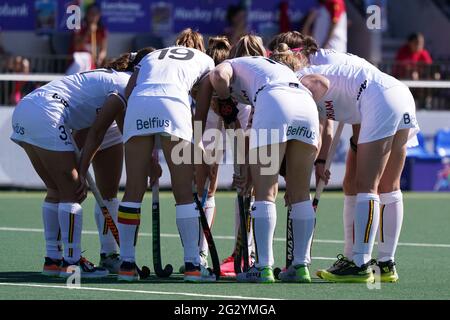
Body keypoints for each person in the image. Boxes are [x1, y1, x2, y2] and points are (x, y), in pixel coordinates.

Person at [10, 49, 151, 279]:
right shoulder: (126, 84)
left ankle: (53, 260)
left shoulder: (105, 81)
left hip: (26, 110)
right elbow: (95, 133)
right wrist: (81, 172)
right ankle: (72, 263)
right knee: (72, 192)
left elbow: (86, 130)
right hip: (47, 113)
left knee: (57, 190)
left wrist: (78, 168)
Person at [98, 29, 216, 282]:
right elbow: (202, 107)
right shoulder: (206, 61)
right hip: (174, 104)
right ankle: (193, 265)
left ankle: (127, 264)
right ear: (200, 47)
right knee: (184, 191)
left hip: (139, 103)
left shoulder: (152, 56)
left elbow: (128, 92)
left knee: (133, 190)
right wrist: (198, 142)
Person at [207, 44, 328, 283]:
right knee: (301, 193)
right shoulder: (271, 69)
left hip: (274, 100)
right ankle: (300, 266)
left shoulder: (234, 64)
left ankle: (263, 267)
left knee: (265, 193)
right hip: (305, 105)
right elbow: (321, 84)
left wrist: (224, 99)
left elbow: (219, 76)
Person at [298, 62, 420, 283]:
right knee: (389, 187)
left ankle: (360, 263)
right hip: (399, 93)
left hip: (379, 98)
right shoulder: (326, 61)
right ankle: (385, 264)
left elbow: (319, 87)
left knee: (365, 186)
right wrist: (323, 159)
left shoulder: (301, 75)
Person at [216, 34, 266, 278]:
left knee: (252, 191)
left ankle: (247, 253)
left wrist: (245, 167)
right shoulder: (252, 76)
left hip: (258, 136)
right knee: (251, 191)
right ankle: (247, 252)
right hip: (253, 136)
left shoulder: (240, 78)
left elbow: (245, 132)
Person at [72, 3, 108, 68]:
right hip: (80, 60)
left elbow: (103, 50)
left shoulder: (102, 30)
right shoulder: (79, 27)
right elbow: (77, 47)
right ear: (87, 14)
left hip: (93, 61)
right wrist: (88, 32)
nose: (93, 16)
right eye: (91, 14)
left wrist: (99, 59)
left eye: (95, 14)